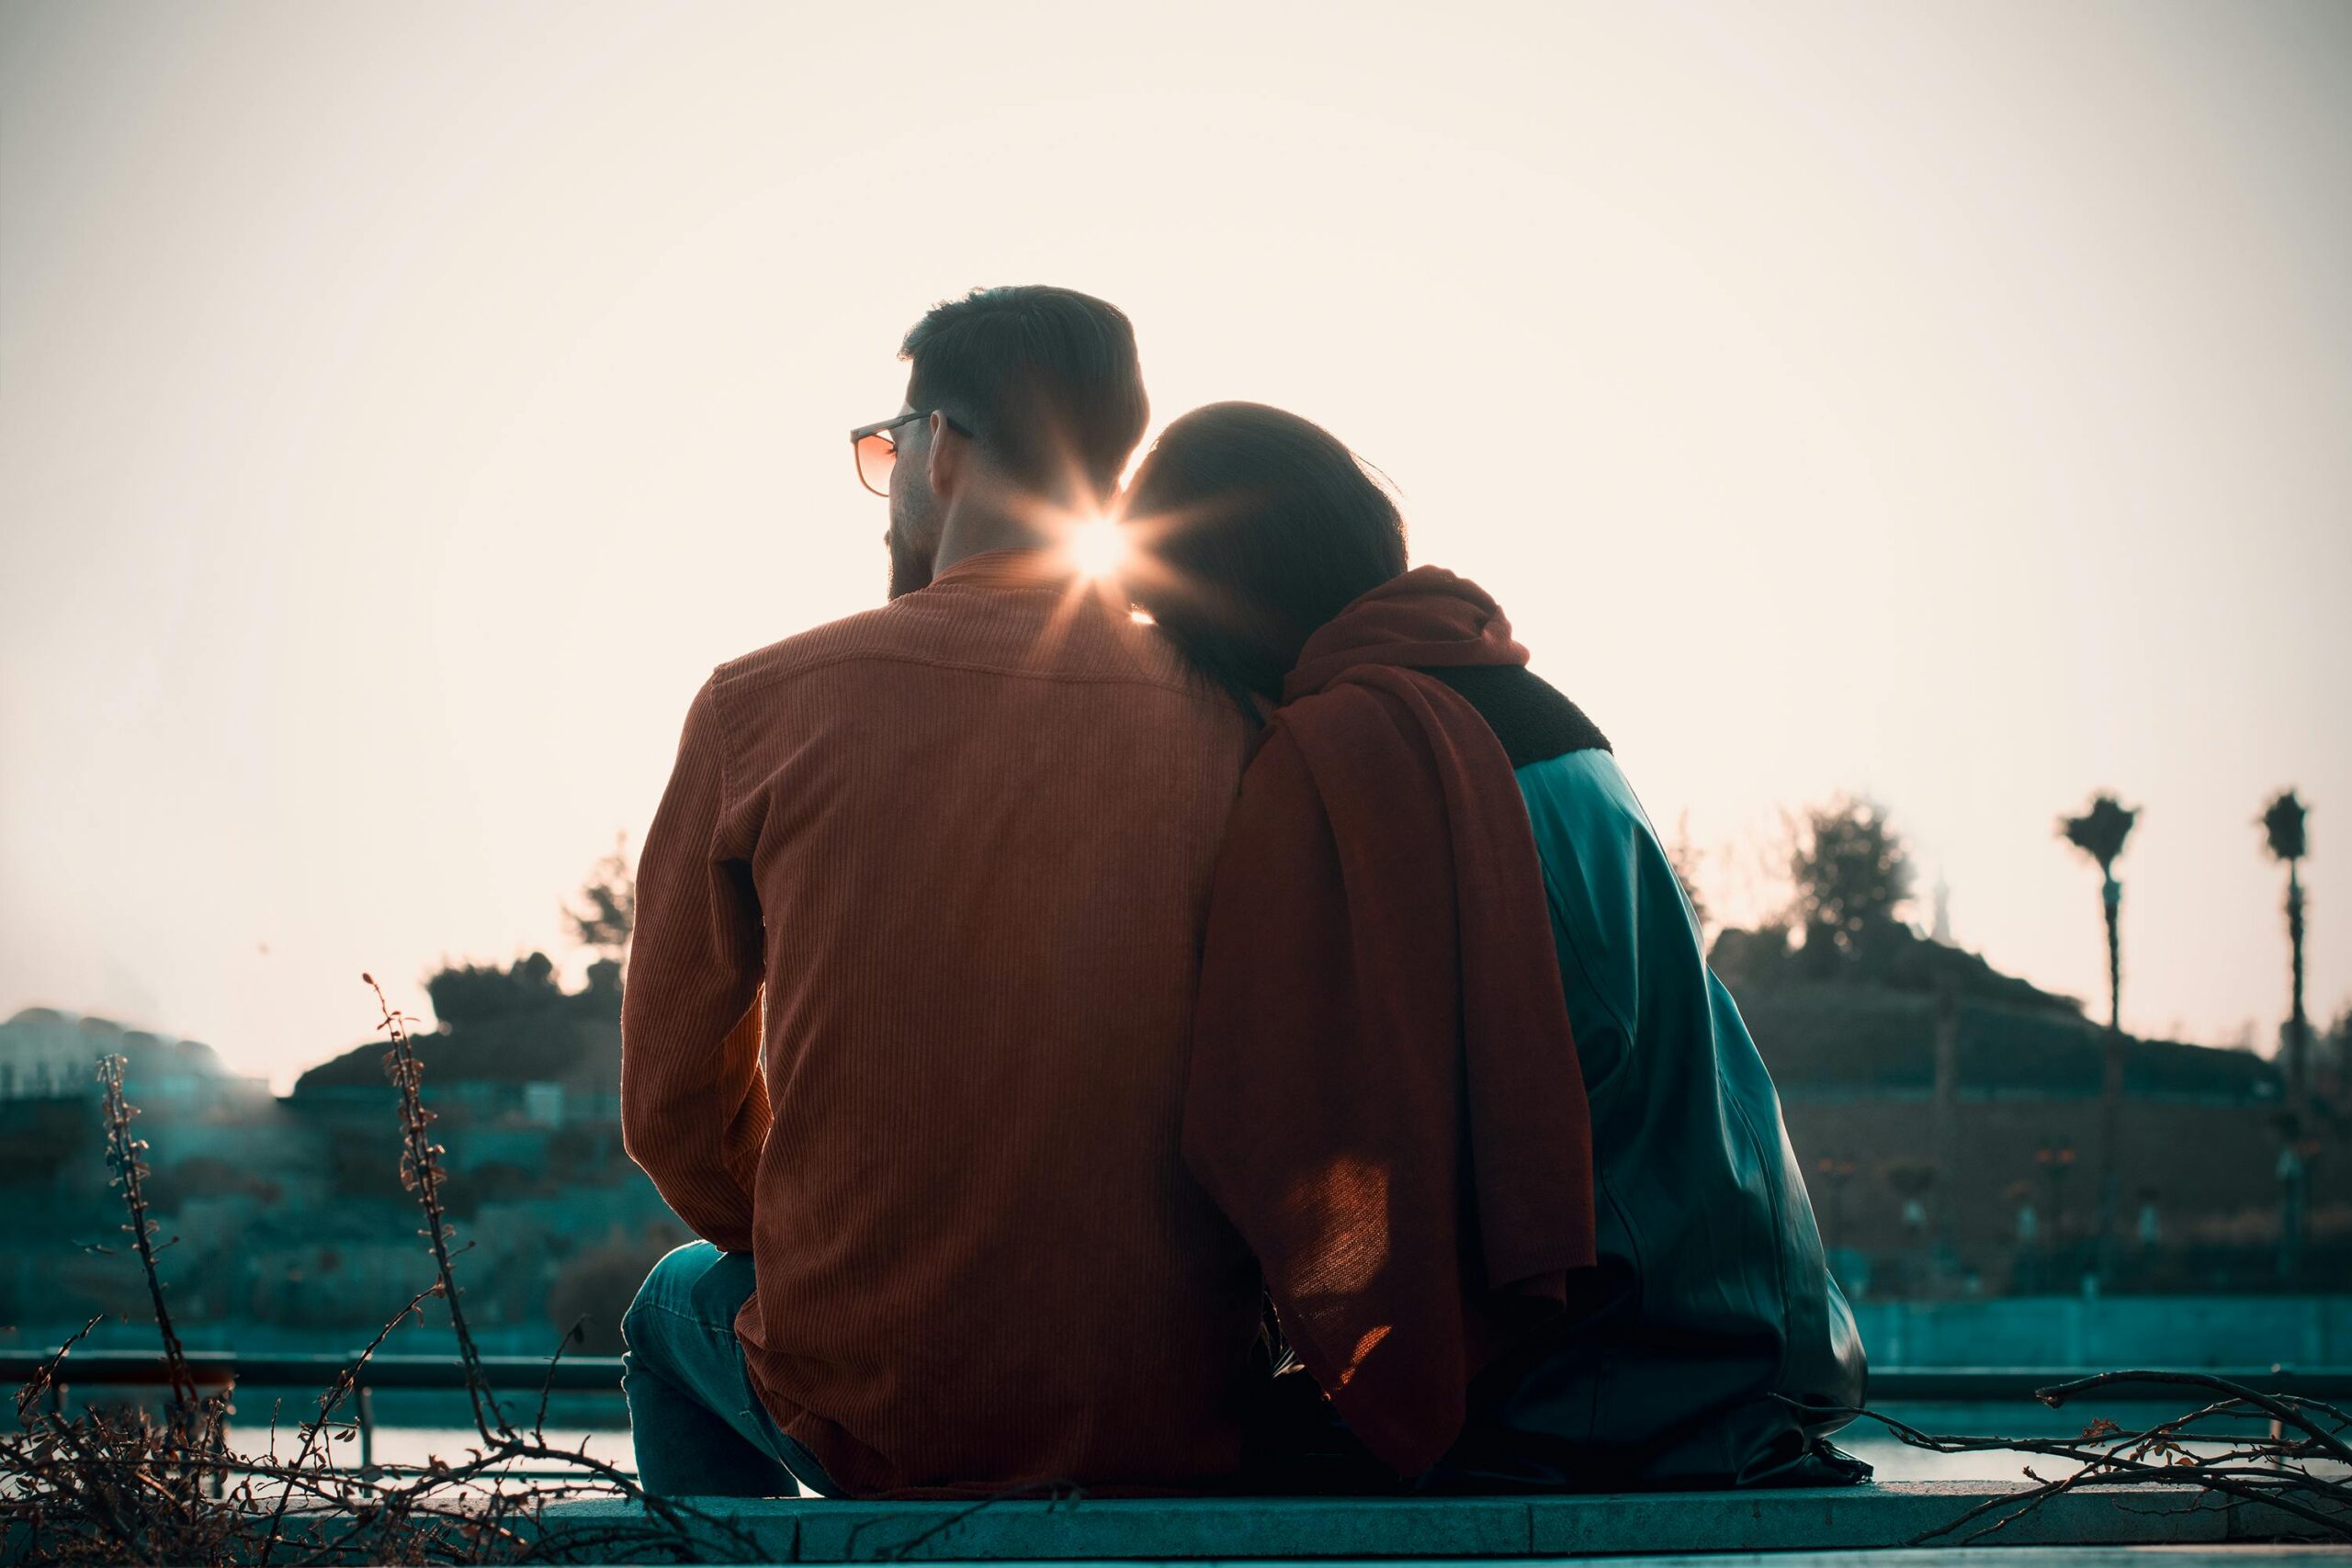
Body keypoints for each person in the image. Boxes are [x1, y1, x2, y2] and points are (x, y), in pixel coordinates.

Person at [1121, 401, 1870, 1492]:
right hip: (1749, 1340)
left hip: (1603, 1374)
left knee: (1186, 1444)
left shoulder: (1355, 756)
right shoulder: (1507, 693)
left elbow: (1276, 1123)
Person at [617, 289, 1264, 1499]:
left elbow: (671, 1106)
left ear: (946, 446)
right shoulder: (1235, 715)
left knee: (669, 1309)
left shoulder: (759, 706)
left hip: (881, 1406)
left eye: (891, 443)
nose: (891, 469)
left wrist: (829, 1241)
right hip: (1188, 1399)